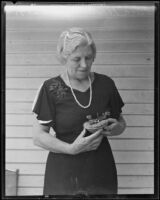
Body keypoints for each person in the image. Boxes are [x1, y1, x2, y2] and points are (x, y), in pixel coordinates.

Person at [32, 27, 126, 196]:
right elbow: (38, 137)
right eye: (77, 59)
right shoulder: (51, 88)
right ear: (64, 57)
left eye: (88, 58)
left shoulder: (106, 84)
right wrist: (71, 149)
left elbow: (121, 121)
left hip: (100, 170)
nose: (84, 65)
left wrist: (116, 127)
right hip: (63, 172)